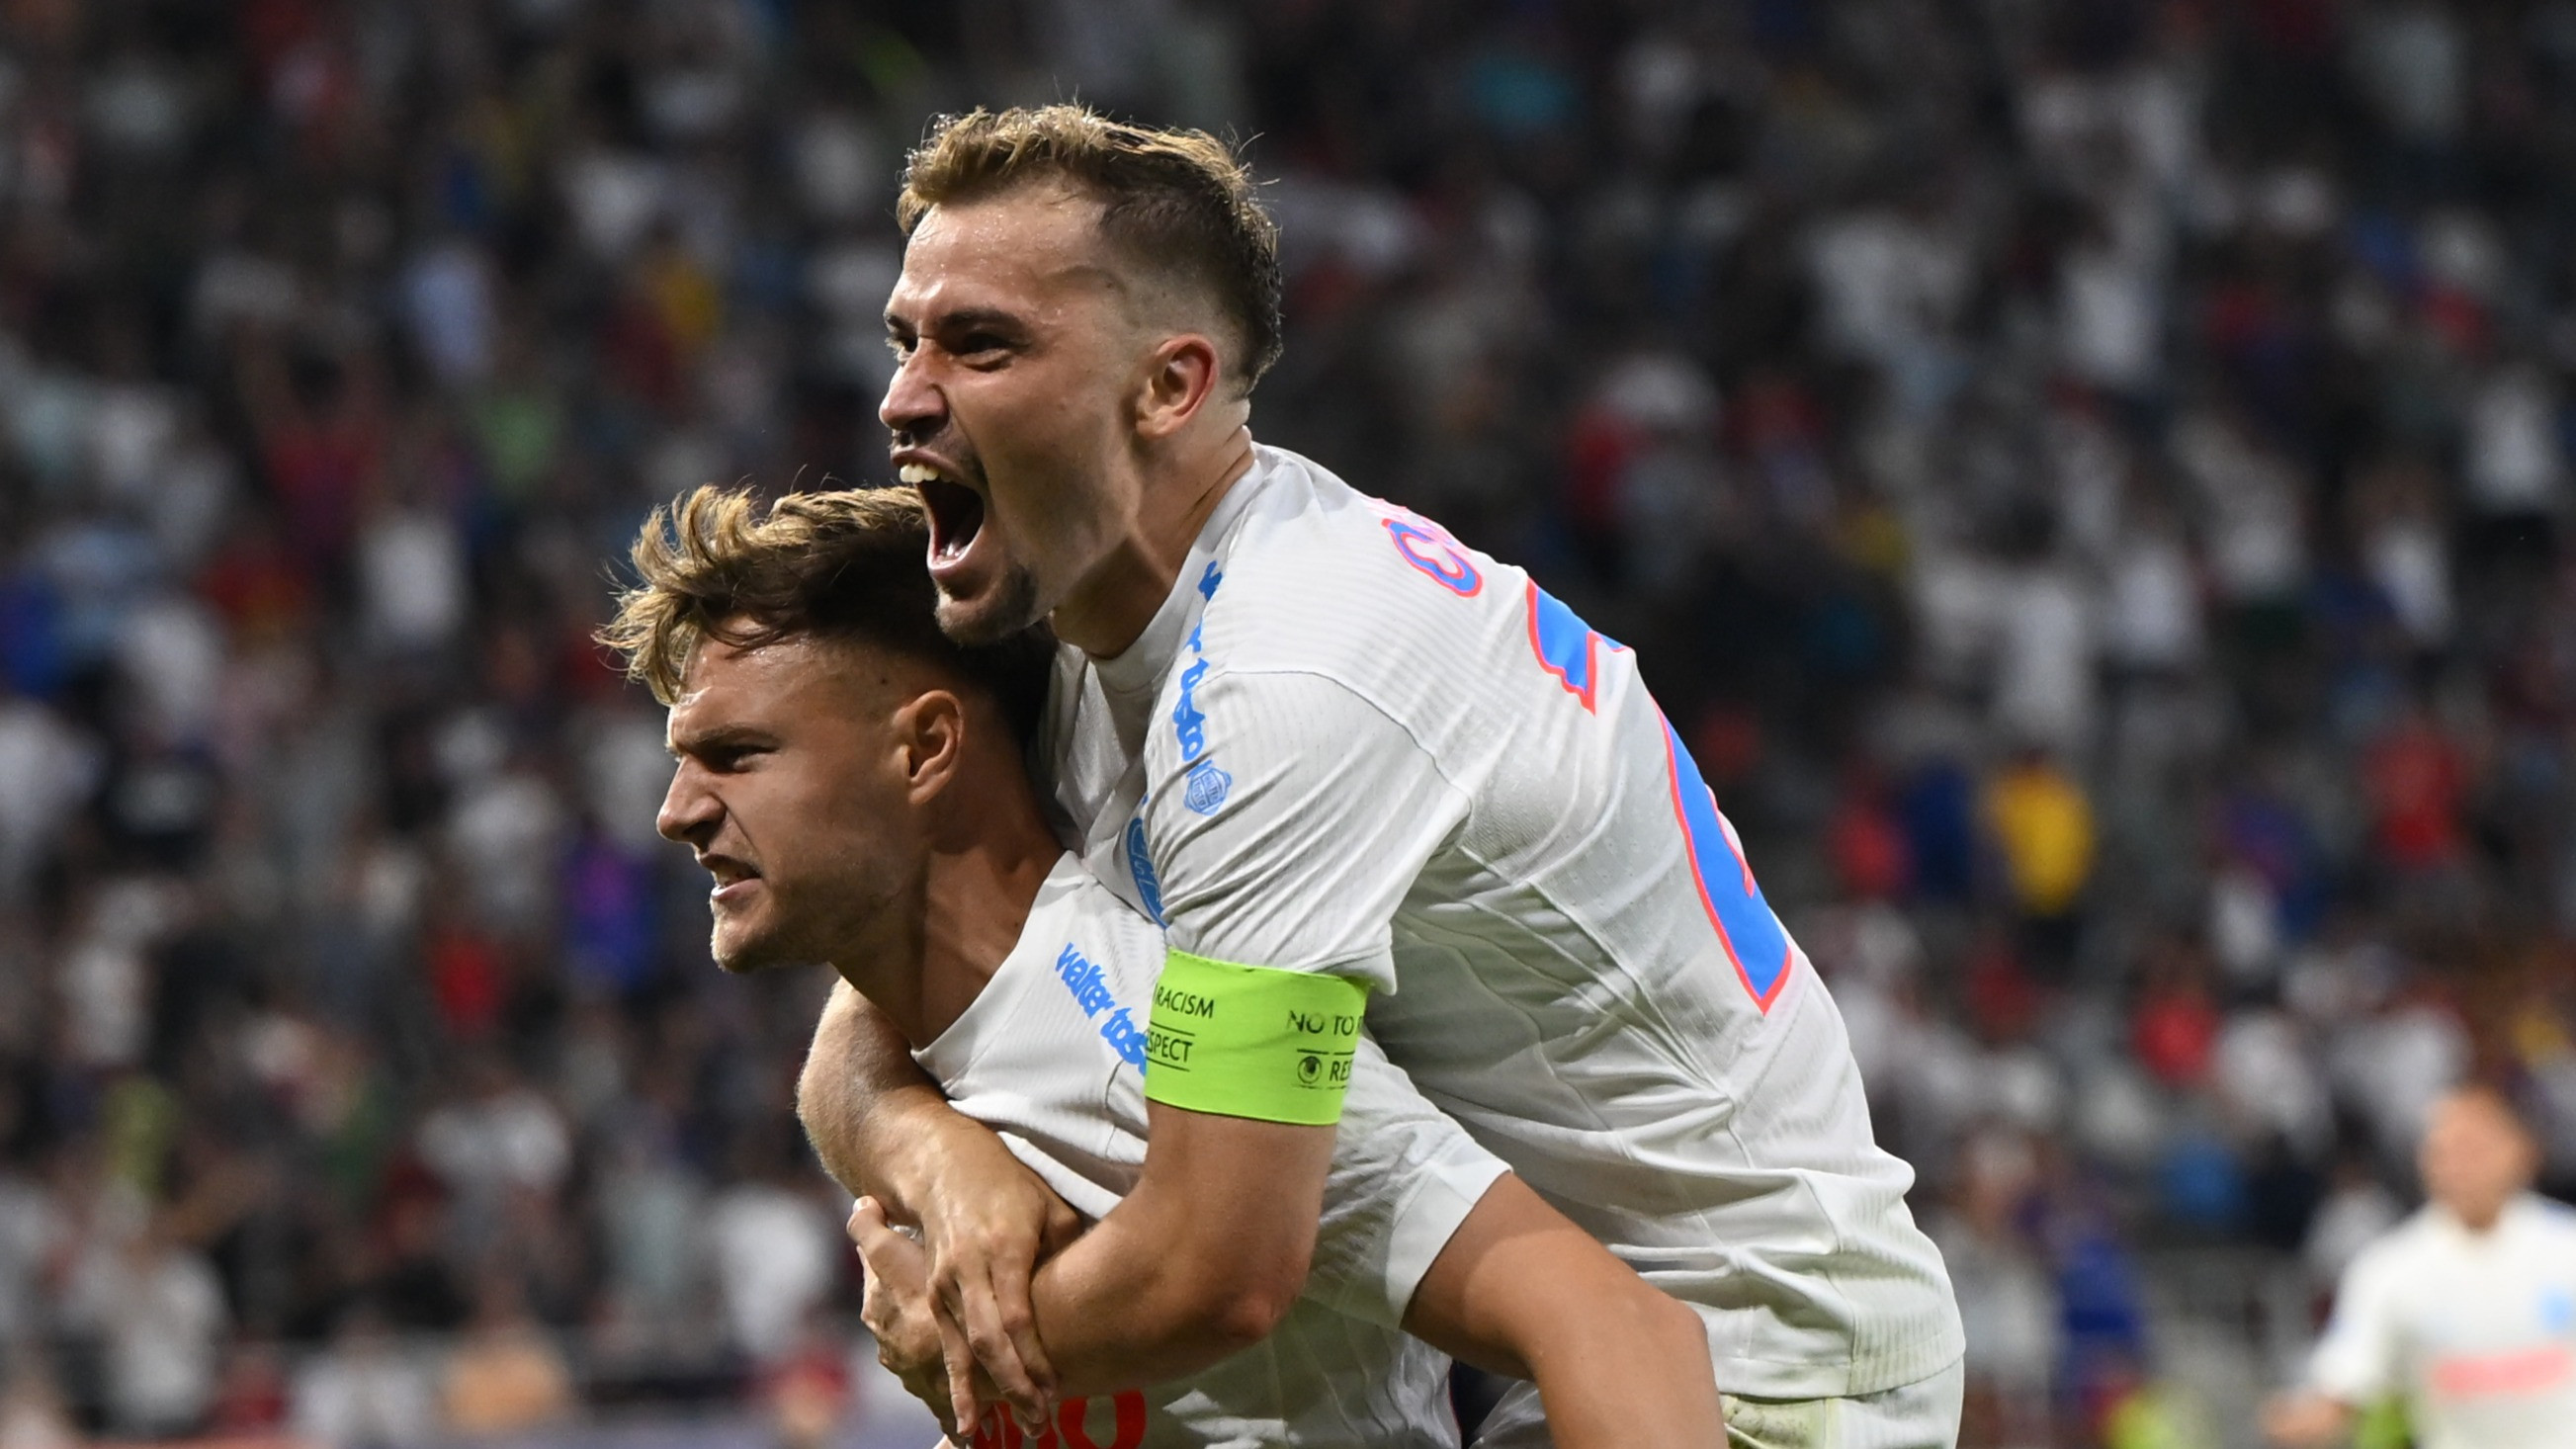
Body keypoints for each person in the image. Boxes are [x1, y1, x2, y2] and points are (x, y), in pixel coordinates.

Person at [803, 104, 1962, 1447]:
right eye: (904, 340)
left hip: (1761, 1370)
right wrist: (940, 1162)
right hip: (1587, 1346)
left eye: (980, 344)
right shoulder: (1092, 610)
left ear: (1169, 387)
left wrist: (957, 1330)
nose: (903, 396)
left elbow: (1219, 1266)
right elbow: (892, 980)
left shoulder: (1284, 685)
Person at [602, 486, 1721, 1446]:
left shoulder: (1150, 1032)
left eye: (736, 755)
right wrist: (931, 1153)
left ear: (926, 748)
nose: (676, 811)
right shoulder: (936, 1040)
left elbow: (1616, 1326)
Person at [2262, 1085, 2576, 1449]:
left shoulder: (2566, 1248)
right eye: (2443, 1151)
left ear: (2523, 1151)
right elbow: (2344, 1381)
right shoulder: (2390, 1270)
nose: (2460, 1166)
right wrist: (2302, 1421)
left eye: (2474, 1148)